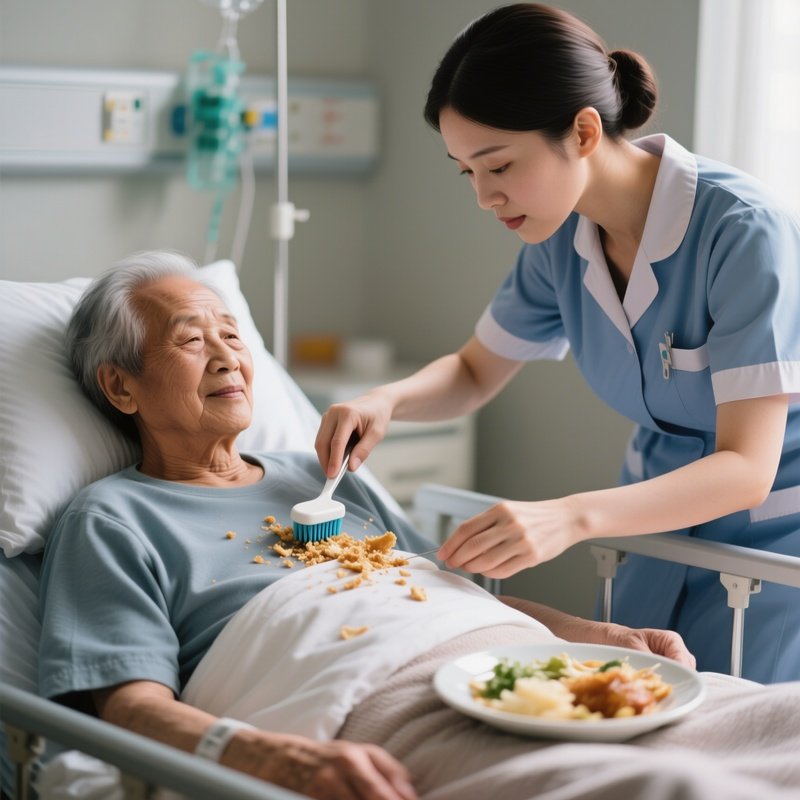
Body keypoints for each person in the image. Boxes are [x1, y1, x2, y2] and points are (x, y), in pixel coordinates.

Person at [39, 251, 709, 800]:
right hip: (380, 699)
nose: (225, 356)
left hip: (507, 662)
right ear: (122, 388)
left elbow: (442, 593)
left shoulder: (321, 474)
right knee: (663, 784)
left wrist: (603, 637)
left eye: (232, 334)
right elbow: (128, 707)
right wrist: (277, 761)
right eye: (190, 339)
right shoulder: (113, 518)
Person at [314, 2, 800, 685]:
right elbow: (474, 372)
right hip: (657, 522)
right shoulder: (561, 239)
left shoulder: (743, 233)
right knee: (642, 708)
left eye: (500, 165)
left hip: (775, 539)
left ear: (582, 130)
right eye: (467, 172)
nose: (485, 196)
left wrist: (569, 517)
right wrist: (386, 401)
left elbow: (747, 466)